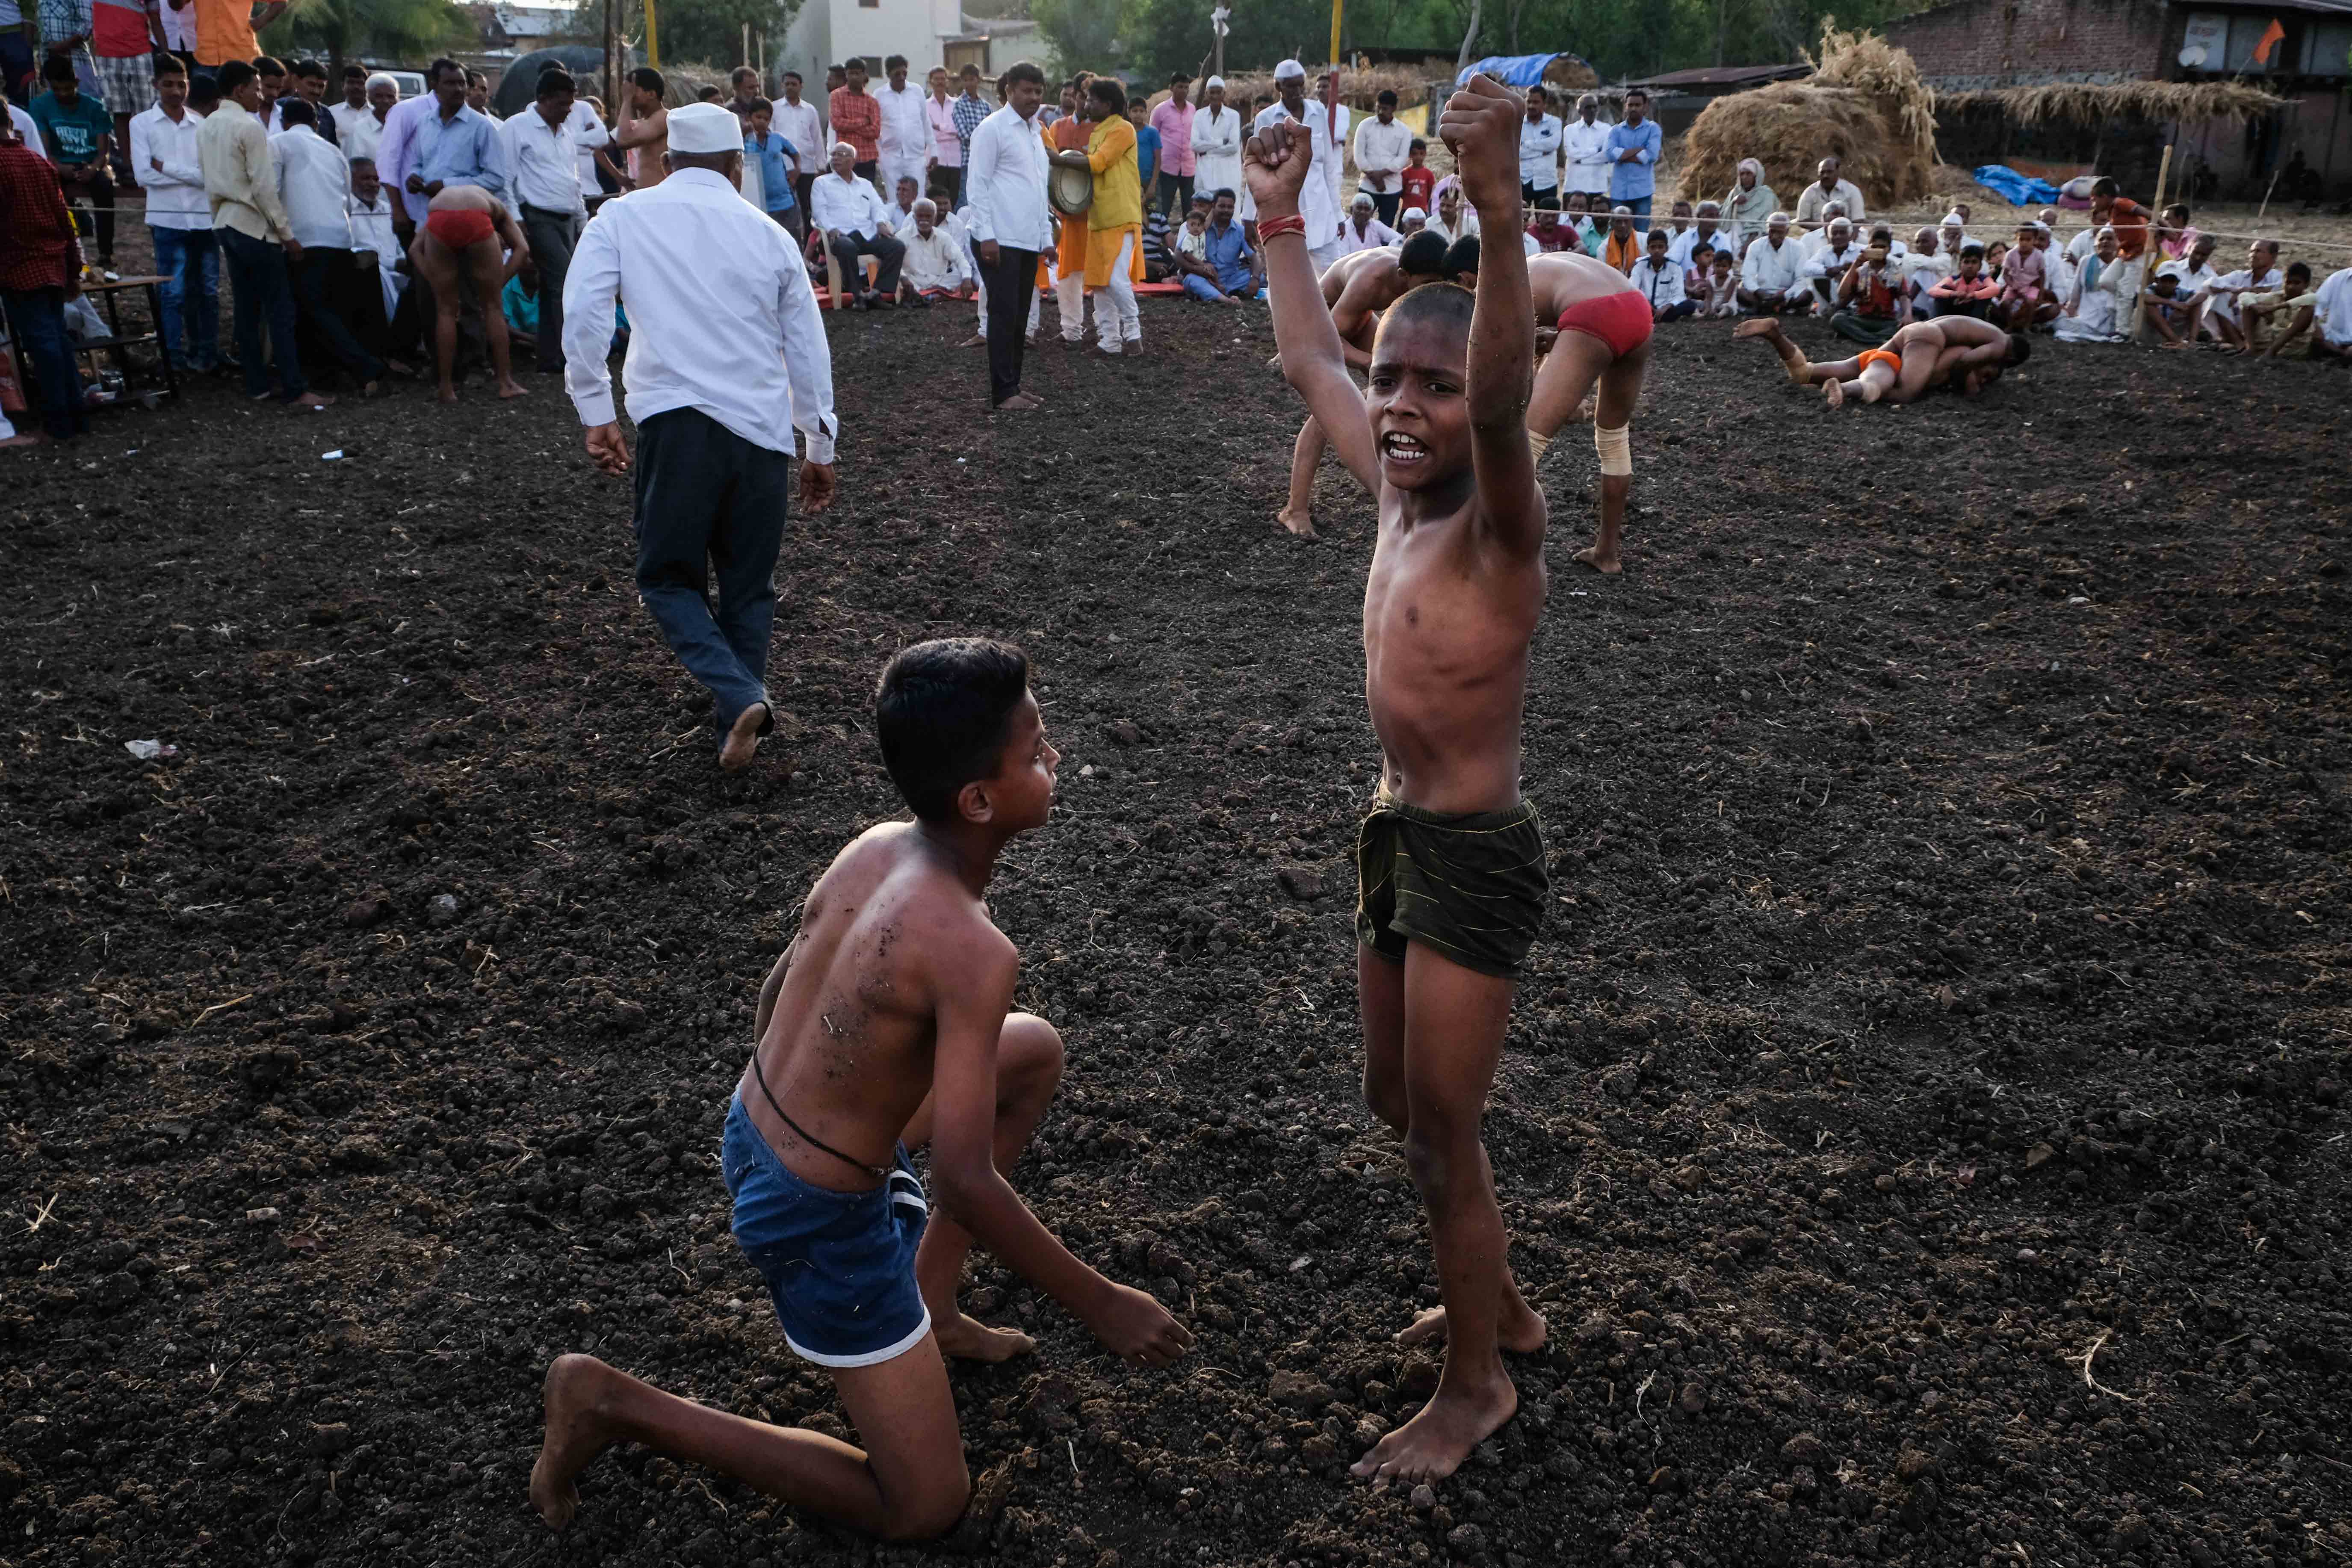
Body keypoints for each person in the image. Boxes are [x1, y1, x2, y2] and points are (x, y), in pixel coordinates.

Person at [532, 635, 1197, 1542]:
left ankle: (933, 1302)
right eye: (1036, 751)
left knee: (1029, 1051)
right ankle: (611, 1401)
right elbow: (964, 1179)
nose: (1055, 759)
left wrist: (835, 1105)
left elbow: (778, 989)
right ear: (979, 799)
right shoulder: (972, 950)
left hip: (754, 1124)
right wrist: (1102, 1302)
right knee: (925, 1505)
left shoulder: (877, 846)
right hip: (815, 1214)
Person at [1253, 76, 1563, 1486]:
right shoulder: (1388, 488)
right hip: (1393, 829)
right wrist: (1272, 214)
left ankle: (1477, 1378)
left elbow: (1503, 404)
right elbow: (1308, 354)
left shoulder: (1501, 525)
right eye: (1393, 381)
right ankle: (1495, 1292)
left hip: (1473, 847)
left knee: (1444, 1132)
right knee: (1397, 1101)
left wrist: (1498, 210)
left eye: (1432, 387)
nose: (1403, 405)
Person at [559, 98, 835, 768]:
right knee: (749, 590)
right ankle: (734, 723)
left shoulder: (622, 218)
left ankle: (739, 694)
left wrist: (597, 411)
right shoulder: (770, 234)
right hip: (763, 436)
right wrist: (818, 446)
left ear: (667, 158)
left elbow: (585, 319)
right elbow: (808, 348)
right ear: (739, 164)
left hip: (678, 427)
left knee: (667, 578)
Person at [1276, 229, 1463, 537]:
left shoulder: (1416, 281)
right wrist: (1366, 362)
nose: (1434, 291)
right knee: (1327, 411)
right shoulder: (1372, 281)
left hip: (1360, 317)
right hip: (1326, 319)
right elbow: (1328, 340)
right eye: (1428, 284)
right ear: (1404, 275)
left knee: (1389, 391)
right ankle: (1294, 508)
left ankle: (1400, 482)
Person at [200, 60, 328, 406]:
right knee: (280, 311)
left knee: (246, 309)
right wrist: (286, 234)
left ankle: (256, 385)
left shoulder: (208, 124)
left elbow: (210, 181)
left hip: (225, 223)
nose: (263, 96)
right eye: (257, 88)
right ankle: (296, 389)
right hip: (255, 227)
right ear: (239, 89)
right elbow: (263, 188)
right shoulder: (250, 127)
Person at [272, 97, 382, 391]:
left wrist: (284, 235)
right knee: (327, 307)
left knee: (313, 308)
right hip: (339, 235)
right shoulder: (333, 151)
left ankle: (365, 365)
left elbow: (271, 191)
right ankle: (328, 371)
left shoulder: (278, 143)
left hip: (302, 237)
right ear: (316, 123)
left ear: (284, 121)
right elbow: (347, 196)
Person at [0, 97, 88, 443]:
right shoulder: (39, 162)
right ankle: (75, 416)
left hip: (16, 268)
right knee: (58, 342)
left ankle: (58, 424)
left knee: (45, 346)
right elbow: (64, 219)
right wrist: (73, 269)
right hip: (51, 262)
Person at [963, 60, 1049, 409]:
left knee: (1019, 315)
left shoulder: (1035, 132)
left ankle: (1013, 385)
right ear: (1009, 90)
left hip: (1026, 238)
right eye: (1027, 91)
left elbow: (1039, 189)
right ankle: (1002, 393)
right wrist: (986, 235)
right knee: (1002, 313)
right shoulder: (992, 128)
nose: (1034, 97)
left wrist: (1046, 238)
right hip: (997, 238)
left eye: (1039, 92)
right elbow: (978, 184)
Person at [1739, 311, 2026, 405]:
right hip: (1923, 341)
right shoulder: (1999, 345)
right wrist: (1971, 388)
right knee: (1904, 392)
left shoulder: (1979, 333)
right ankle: (1844, 389)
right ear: (2010, 358)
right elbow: (1965, 364)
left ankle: (1775, 334)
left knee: (1803, 374)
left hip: (1899, 344)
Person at [503, 65, 589, 375]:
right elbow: (506, 179)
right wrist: (516, 220)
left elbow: (573, 181)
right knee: (564, 282)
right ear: (543, 98)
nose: (568, 110)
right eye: (563, 104)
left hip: (567, 216)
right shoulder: (517, 127)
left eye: (571, 104)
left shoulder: (565, 133)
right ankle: (567, 356)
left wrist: (583, 221)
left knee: (556, 286)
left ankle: (550, 357)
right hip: (536, 216)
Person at [132, 54, 216, 370]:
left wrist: (165, 167)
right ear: (156, 85)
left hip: (204, 220)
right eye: (168, 84)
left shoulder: (202, 124)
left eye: (181, 84)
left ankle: (206, 356)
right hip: (167, 221)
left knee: (207, 292)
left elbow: (210, 176)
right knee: (173, 294)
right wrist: (191, 175)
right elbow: (143, 176)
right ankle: (173, 360)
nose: (176, 90)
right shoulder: (142, 124)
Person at [408, 181, 526, 401]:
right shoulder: (497, 207)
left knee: (445, 310)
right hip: (477, 216)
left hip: (438, 214)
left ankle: (446, 388)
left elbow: (414, 250)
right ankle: (505, 384)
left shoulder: (447, 202)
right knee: (492, 308)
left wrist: (435, 281)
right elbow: (522, 249)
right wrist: (497, 284)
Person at [1060, 74, 1141, 354]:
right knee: (1100, 284)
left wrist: (1058, 159)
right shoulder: (1098, 131)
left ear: (1108, 105)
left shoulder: (1123, 129)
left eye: (1092, 100)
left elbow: (1098, 163)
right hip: (1099, 217)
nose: (1086, 104)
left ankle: (1133, 334)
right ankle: (1110, 341)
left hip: (1119, 215)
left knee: (1116, 279)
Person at [1251, 59, 1344, 267]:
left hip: (1322, 215)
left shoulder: (1319, 111)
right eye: (1291, 86)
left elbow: (1329, 167)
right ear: (1278, 87)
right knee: (1289, 279)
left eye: (1300, 85)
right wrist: (1249, 216)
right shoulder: (1265, 118)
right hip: (1286, 214)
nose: (1297, 91)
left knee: (1329, 282)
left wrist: (1339, 215)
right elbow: (1256, 170)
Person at [30, 53, 113, 268]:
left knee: (105, 187)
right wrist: (60, 167)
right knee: (53, 190)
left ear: (77, 82)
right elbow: (44, 149)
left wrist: (94, 169)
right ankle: (69, 251)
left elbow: (103, 153)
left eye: (68, 88)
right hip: (59, 165)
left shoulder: (95, 107)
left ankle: (106, 253)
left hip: (89, 164)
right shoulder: (40, 106)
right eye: (57, 89)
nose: (63, 94)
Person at [811, 139, 903, 311]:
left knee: (897, 246)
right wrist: (832, 229)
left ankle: (876, 293)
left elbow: (877, 207)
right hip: (840, 235)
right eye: (833, 155)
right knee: (847, 247)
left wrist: (881, 224)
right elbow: (819, 213)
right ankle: (857, 295)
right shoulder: (822, 183)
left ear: (852, 161)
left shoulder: (865, 185)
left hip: (866, 234)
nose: (835, 159)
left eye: (841, 155)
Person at [408, 56, 505, 216]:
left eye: (462, 83)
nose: (458, 89)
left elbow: (496, 179)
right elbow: (417, 163)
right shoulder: (425, 123)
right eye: (450, 83)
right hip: (427, 217)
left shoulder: (482, 127)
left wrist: (447, 186)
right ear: (434, 85)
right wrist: (414, 177)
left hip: (467, 216)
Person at [89, 0, 163, 169]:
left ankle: (147, 163)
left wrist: (165, 54)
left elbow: (156, 20)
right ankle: (128, 165)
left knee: (146, 113)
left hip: (140, 52)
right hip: (107, 54)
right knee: (120, 112)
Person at [2196, 238, 2281, 351]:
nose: (2253, 255)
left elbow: (2274, 290)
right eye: (2252, 251)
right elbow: (2209, 284)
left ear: (2273, 257)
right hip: (2237, 326)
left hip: (2263, 327)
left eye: (2259, 251)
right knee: (2218, 297)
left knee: (2257, 302)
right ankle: (2239, 344)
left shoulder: (2278, 276)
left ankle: (2240, 344)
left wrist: (2243, 293)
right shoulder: (2240, 276)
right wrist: (2236, 290)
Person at [2053, 226, 2130, 344]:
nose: (2105, 242)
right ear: (2095, 245)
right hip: (2086, 321)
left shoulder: (2125, 264)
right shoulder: (2086, 262)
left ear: (2118, 244)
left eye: (2110, 239)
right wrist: (2066, 314)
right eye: (2101, 239)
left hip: (2112, 322)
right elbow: (2075, 298)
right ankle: (2098, 338)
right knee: (2059, 323)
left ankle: (2092, 337)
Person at [1346, 87, 1407, 225]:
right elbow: (1359, 156)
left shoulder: (1404, 131)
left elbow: (1402, 160)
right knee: (1360, 224)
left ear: (1394, 108)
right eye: (1378, 108)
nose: (1381, 112)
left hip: (1392, 188)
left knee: (1386, 226)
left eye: (1385, 109)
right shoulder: (1365, 126)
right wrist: (1375, 179)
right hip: (1367, 186)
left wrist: (1381, 176)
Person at [1829, 230, 1902, 343]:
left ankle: (1863, 337)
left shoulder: (1895, 271)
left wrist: (1908, 315)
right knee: (1838, 320)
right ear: (1869, 247)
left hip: (1886, 321)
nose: (1878, 250)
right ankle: (1877, 340)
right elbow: (1842, 294)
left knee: (1904, 326)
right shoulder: (1861, 270)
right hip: (1862, 319)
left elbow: (1904, 297)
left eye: (1882, 247)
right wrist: (1856, 264)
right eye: (1875, 247)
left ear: (1889, 249)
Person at [875, 54, 928, 207]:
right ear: (888, 74)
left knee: (918, 198)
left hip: (915, 154)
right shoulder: (879, 95)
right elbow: (876, 125)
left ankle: (916, 229)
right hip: (890, 155)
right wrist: (879, 154)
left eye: (904, 73)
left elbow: (925, 121)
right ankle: (897, 230)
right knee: (894, 199)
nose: (901, 77)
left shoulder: (917, 91)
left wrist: (934, 151)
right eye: (897, 74)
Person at [188, 0, 282, 83]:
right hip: (205, 58)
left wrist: (259, 22)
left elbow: (280, 2)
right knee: (202, 102)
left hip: (242, 57)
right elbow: (177, 6)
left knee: (244, 102)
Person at [897, 196, 972, 301]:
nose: (924, 220)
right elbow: (895, 264)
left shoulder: (944, 237)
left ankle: (931, 293)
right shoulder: (902, 236)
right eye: (920, 216)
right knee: (897, 279)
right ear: (914, 218)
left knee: (960, 276)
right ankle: (935, 294)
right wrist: (903, 278)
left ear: (935, 218)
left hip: (939, 281)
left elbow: (960, 259)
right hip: (912, 281)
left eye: (928, 216)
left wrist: (967, 279)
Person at [1603, 87, 1658, 228]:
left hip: (1642, 192)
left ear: (1645, 107)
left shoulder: (1653, 129)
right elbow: (1609, 154)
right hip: (1619, 192)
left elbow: (1651, 154)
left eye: (1638, 105)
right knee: (1618, 233)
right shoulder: (1615, 130)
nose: (1634, 108)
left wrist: (1621, 156)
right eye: (1630, 105)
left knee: (1641, 234)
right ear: (1625, 107)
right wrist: (1639, 150)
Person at [2235, 261, 2315, 357]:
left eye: (2297, 283)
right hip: (2266, 345)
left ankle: (2272, 352)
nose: (2291, 287)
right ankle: (2250, 348)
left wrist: (2274, 308)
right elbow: (2244, 296)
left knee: (2308, 310)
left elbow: (2313, 299)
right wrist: (2257, 308)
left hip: (2293, 348)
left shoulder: (2309, 298)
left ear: (2306, 285)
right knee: (2248, 306)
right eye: (2288, 283)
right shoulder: (2277, 296)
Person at [1189, 75, 1239, 229]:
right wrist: (1219, 143)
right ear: (1207, 94)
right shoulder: (1199, 115)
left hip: (1227, 175)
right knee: (1203, 216)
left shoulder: (1233, 116)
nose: (1216, 96)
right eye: (1212, 92)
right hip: (1204, 174)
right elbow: (1195, 145)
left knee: (1229, 216)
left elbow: (1233, 147)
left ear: (1224, 94)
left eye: (1219, 92)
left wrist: (1207, 150)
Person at [743, 96, 798, 233]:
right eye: (758, 117)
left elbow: (795, 153)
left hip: (785, 203)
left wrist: (797, 171)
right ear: (749, 117)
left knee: (790, 239)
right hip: (758, 205)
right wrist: (749, 136)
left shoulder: (777, 139)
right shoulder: (743, 141)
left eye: (766, 119)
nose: (762, 122)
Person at [772, 68, 821, 216]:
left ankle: (808, 238)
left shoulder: (810, 110)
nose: (790, 87)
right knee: (783, 208)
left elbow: (817, 138)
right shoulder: (774, 108)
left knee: (807, 207)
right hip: (782, 167)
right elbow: (771, 137)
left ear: (801, 86)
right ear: (782, 86)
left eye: (794, 84)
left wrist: (821, 165)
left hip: (807, 167)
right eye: (787, 84)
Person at [1737, 210, 1802, 313]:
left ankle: (1772, 308)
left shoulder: (1798, 247)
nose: (1775, 236)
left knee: (1807, 295)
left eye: (1780, 232)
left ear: (1787, 231)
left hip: (1786, 296)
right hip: (1761, 295)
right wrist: (1760, 292)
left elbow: (1802, 281)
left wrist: (1785, 295)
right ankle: (1773, 308)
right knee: (1740, 291)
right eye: (1772, 231)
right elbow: (1748, 277)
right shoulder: (1755, 246)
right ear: (1767, 230)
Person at [1146, 71, 1192, 218]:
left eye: (1186, 87)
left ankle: (1187, 239)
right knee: (1164, 209)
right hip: (1167, 167)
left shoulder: (1193, 110)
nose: (1184, 91)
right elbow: (1152, 138)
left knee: (1190, 210)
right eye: (1180, 87)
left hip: (1189, 167)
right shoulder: (1160, 110)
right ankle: (1161, 239)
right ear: (1171, 88)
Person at [615, 65, 668, 190]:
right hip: (648, 196)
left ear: (651, 94)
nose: (629, 94)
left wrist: (627, 100)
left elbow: (624, 141)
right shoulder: (646, 122)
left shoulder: (664, 117)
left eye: (633, 91)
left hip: (660, 197)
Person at [829, 58, 878, 189]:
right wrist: (863, 122)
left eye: (858, 73)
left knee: (865, 198)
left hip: (867, 158)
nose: (855, 77)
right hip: (844, 158)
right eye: (851, 73)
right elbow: (837, 124)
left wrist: (850, 126)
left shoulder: (872, 101)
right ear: (846, 74)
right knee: (844, 198)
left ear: (864, 75)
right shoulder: (837, 96)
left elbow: (875, 131)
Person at [1628, 224, 1689, 321]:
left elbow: (1679, 295)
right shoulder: (1640, 266)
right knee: (1629, 301)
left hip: (1666, 309)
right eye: (1653, 247)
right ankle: (1655, 316)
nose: (1657, 251)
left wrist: (1666, 307)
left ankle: (1655, 317)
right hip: (1644, 306)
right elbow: (1634, 290)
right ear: (1648, 249)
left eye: (1661, 247)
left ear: (1667, 249)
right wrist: (1649, 306)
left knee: (1689, 305)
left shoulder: (1674, 267)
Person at [921, 65, 960, 208]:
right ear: (931, 82)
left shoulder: (958, 104)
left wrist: (938, 127)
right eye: (936, 79)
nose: (940, 82)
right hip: (935, 158)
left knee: (954, 198)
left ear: (948, 81)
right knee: (937, 198)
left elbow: (960, 130)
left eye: (943, 79)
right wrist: (950, 132)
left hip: (957, 159)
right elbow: (928, 133)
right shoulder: (924, 106)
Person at [1802, 216, 1861, 311]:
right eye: (1834, 233)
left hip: (1853, 296)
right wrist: (1829, 271)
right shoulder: (1824, 251)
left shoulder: (1859, 250)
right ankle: (1831, 308)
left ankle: (1850, 308)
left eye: (1842, 233)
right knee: (1817, 277)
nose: (1838, 236)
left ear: (1850, 235)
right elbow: (1806, 268)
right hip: (1832, 296)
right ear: (1829, 236)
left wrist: (1850, 273)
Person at [1794, 154, 1863, 230]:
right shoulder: (1810, 192)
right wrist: (1826, 230)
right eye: (1822, 173)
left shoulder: (1852, 191)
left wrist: (1849, 237)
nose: (1826, 176)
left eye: (1830, 172)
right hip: (1816, 235)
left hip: (1846, 235)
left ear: (1838, 172)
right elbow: (1802, 220)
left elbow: (1858, 221)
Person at [1561, 92, 1608, 201]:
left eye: (1594, 107)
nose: (1592, 110)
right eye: (1588, 107)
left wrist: (1580, 161)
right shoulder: (1569, 130)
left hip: (1597, 187)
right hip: (1574, 186)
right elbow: (1571, 155)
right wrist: (1596, 150)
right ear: (1580, 110)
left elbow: (1605, 156)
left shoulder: (1607, 130)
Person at [340, 69, 392, 167]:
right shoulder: (332, 113)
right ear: (343, 85)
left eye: (361, 83)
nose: (356, 87)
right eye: (351, 82)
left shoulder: (379, 114)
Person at [1720, 156, 1773, 251]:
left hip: (1757, 235)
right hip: (1735, 234)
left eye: (1749, 174)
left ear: (1757, 176)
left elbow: (1765, 223)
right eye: (1742, 174)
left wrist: (1749, 243)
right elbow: (1724, 218)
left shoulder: (1767, 195)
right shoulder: (1735, 192)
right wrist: (1733, 203)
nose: (1745, 177)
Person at [2304, 263, 2352, 363]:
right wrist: (2318, 327)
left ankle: (2340, 356)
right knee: (2318, 336)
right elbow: (2317, 303)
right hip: (2336, 338)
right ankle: (2342, 355)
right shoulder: (2337, 278)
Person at [1336, 189, 1398, 256]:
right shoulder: (1343, 230)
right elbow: (1344, 258)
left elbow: (1399, 239)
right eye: (1359, 208)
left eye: (1367, 209)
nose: (1363, 212)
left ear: (1372, 213)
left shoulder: (1376, 225)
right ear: (1351, 210)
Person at [1693, 244, 1739, 319]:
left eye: (1724, 266)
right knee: (1694, 302)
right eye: (1718, 266)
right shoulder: (1711, 280)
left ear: (1730, 268)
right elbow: (1709, 297)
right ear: (1713, 266)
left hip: (1726, 304)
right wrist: (1708, 308)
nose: (1720, 269)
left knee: (1726, 308)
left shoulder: (1732, 280)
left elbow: (1727, 298)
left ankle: (1720, 315)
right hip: (1713, 304)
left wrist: (1716, 308)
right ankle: (1699, 314)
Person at [1426, 180, 1475, 248]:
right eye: (1442, 205)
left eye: (1449, 206)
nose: (1444, 209)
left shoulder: (1471, 223)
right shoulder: (1429, 224)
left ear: (1457, 207)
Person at [1601, 204, 1639, 273]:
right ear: (1612, 224)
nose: (1623, 225)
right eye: (1619, 222)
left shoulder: (1644, 241)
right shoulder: (1603, 248)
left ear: (1632, 222)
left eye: (1626, 221)